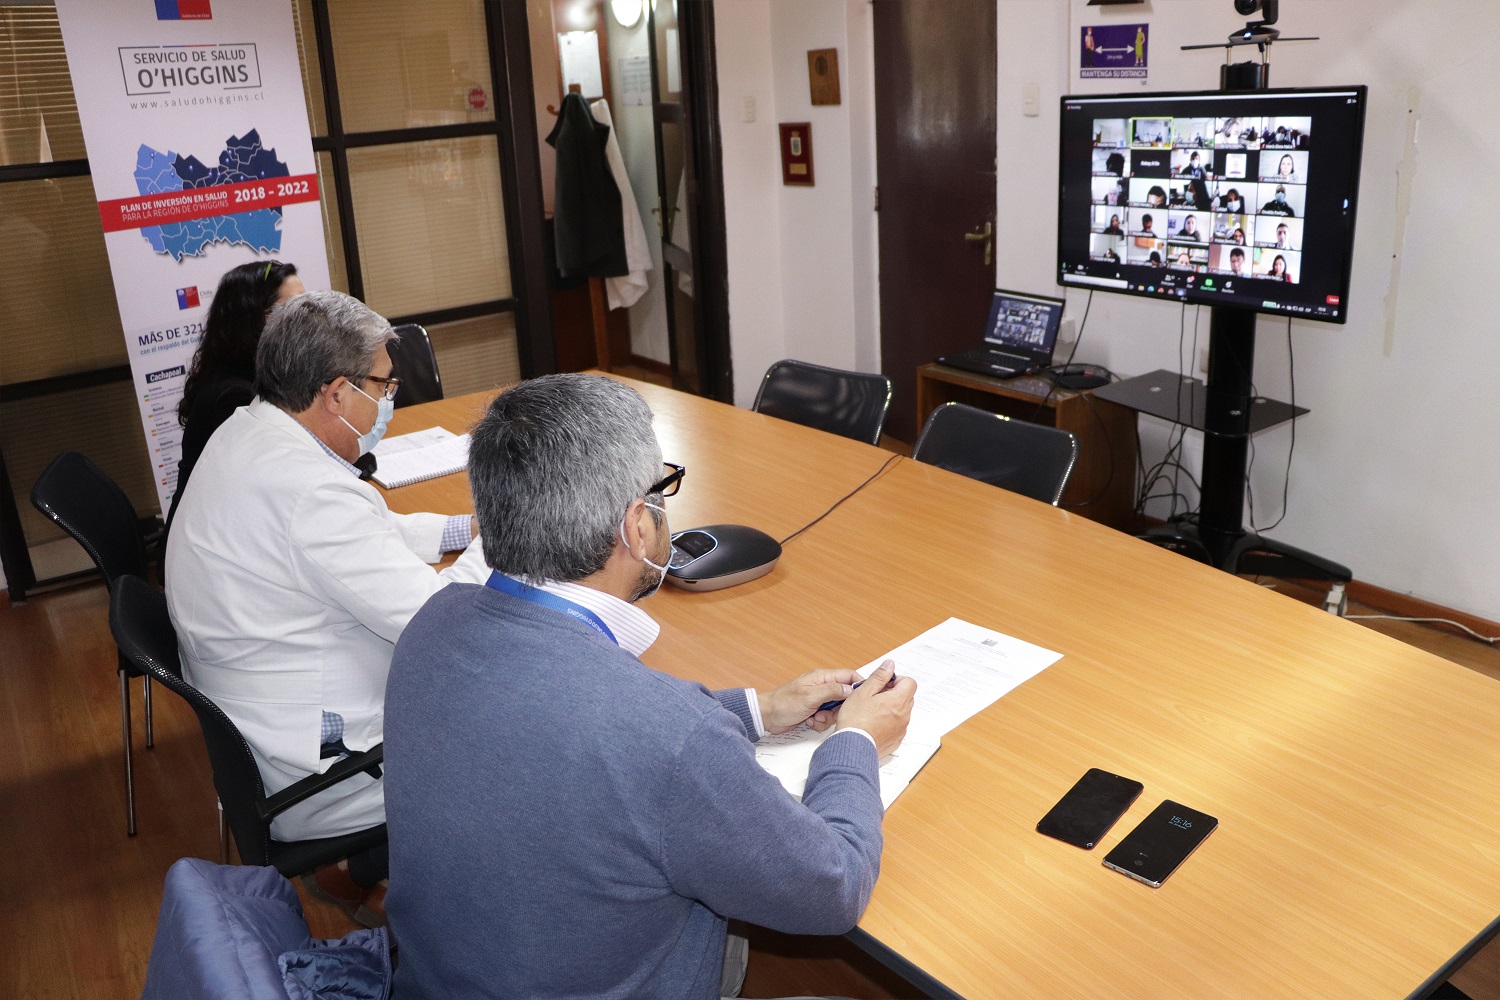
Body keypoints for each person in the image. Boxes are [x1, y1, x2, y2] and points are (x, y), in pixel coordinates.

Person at [383, 374, 917, 1000]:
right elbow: (834, 887)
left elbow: (580, 730)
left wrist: (758, 710)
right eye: (663, 492)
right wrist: (854, 741)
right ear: (638, 527)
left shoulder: (434, 622)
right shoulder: (667, 737)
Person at [165, 291, 491, 919]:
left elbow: (364, 531)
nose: (389, 400)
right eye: (384, 384)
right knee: (521, 725)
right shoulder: (308, 490)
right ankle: (459, 921)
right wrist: (506, 542)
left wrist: (463, 531)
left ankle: (371, 869)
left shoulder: (250, 431)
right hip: (323, 773)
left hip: (268, 726)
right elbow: (445, 623)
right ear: (337, 392)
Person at [168, 261, 303, 529]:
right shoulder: (235, 397)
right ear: (252, 319)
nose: (306, 319)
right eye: (293, 310)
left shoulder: (256, 375)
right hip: (207, 550)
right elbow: (275, 487)